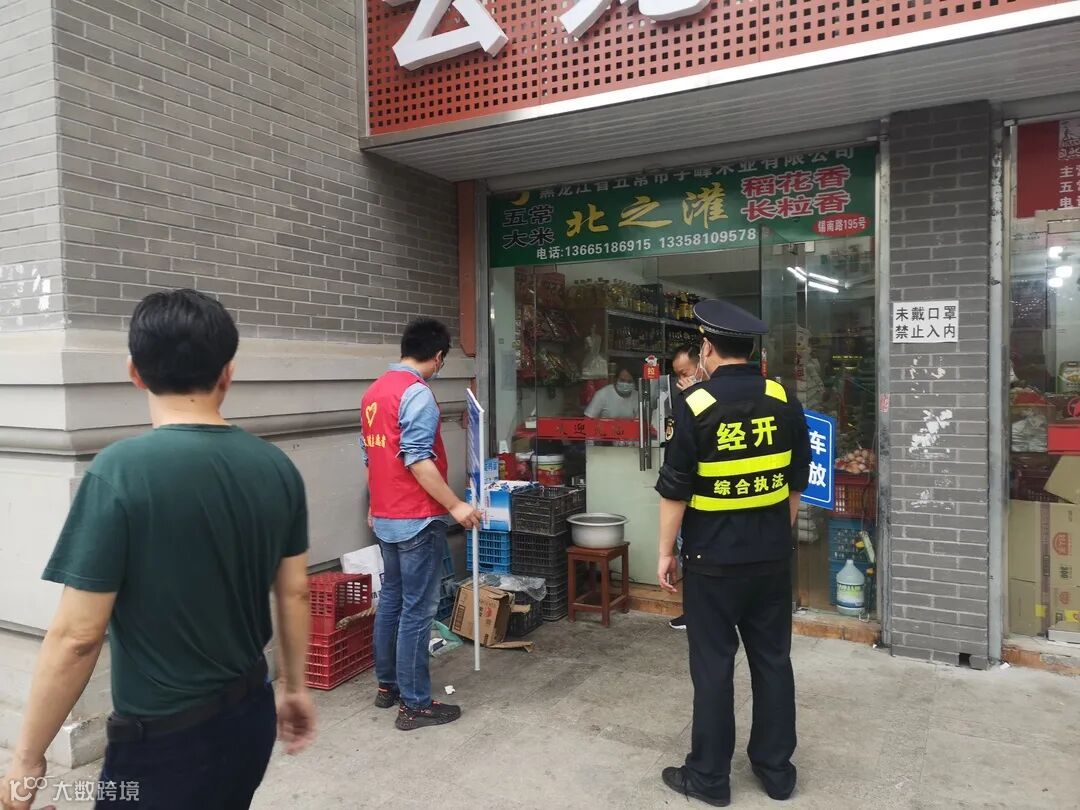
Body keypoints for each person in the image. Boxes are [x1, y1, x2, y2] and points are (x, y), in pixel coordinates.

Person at [0, 290, 315, 810]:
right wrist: (296, 688)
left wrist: (27, 762)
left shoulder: (120, 472)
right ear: (227, 373)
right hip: (249, 716)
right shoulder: (276, 467)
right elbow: (295, 592)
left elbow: (78, 636)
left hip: (164, 744)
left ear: (135, 372)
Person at [655, 300, 811, 807]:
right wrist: (776, 535)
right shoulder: (783, 398)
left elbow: (675, 490)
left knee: (713, 668)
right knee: (773, 662)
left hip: (713, 563)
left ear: (707, 348)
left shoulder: (695, 404)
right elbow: (797, 481)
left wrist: (665, 553)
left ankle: (709, 779)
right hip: (771, 559)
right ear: (752, 350)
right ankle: (776, 771)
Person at [362, 317, 481, 731]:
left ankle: (388, 686)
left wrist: (374, 504)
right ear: (438, 356)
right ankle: (414, 704)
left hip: (387, 517)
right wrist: (456, 506)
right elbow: (417, 459)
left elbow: (372, 457)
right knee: (417, 610)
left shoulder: (375, 391)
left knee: (392, 601)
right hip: (415, 518)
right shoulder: (416, 393)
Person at [665, 343, 704, 632]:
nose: (682, 379)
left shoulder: (710, 396)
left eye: (686, 372)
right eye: (677, 374)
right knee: (686, 549)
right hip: (687, 489)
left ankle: (701, 614)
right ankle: (692, 612)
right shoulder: (683, 398)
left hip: (708, 493)